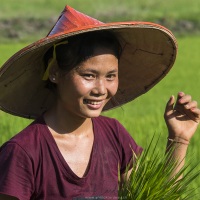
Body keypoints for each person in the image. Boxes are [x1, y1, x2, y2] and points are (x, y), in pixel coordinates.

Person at [0, 5, 199, 200]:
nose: (101, 90)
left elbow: (154, 196)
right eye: (89, 75)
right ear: (55, 73)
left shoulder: (114, 134)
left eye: (111, 76)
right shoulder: (23, 151)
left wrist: (179, 139)